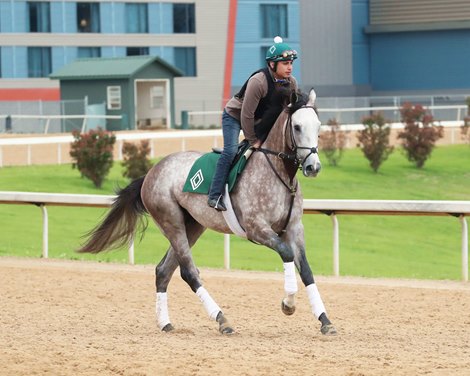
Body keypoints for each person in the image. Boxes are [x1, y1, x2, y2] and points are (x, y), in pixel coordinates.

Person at [207, 36, 299, 211]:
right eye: (285, 63)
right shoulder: (259, 82)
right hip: (235, 116)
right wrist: (252, 140)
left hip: (259, 119)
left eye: (291, 63)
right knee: (231, 151)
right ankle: (215, 195)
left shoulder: (292, 83)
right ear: (272, 65)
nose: (290, 67)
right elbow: (246, 114)